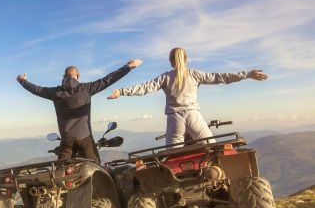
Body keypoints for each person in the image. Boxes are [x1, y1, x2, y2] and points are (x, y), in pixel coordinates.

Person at [107, 47, 267, 146]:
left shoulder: (165, 77)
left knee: (172, 158)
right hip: (193, 116)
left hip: (175, 120)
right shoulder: (194, 75)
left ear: (171, 62)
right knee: (212, 149)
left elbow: (144, 88)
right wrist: (246, 74)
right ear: (186, 59)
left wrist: (121, 92)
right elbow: (221, 77)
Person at [17, 59, 142, 162]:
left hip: (66, 140)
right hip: (85, 138)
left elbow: (36, 89)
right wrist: (128, 67)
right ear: (78, 76)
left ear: (63, 77)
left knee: (61, 172)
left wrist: (22, 81)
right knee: (96, 168)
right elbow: (108, 79)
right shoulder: (86, 89)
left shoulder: (55, 92)